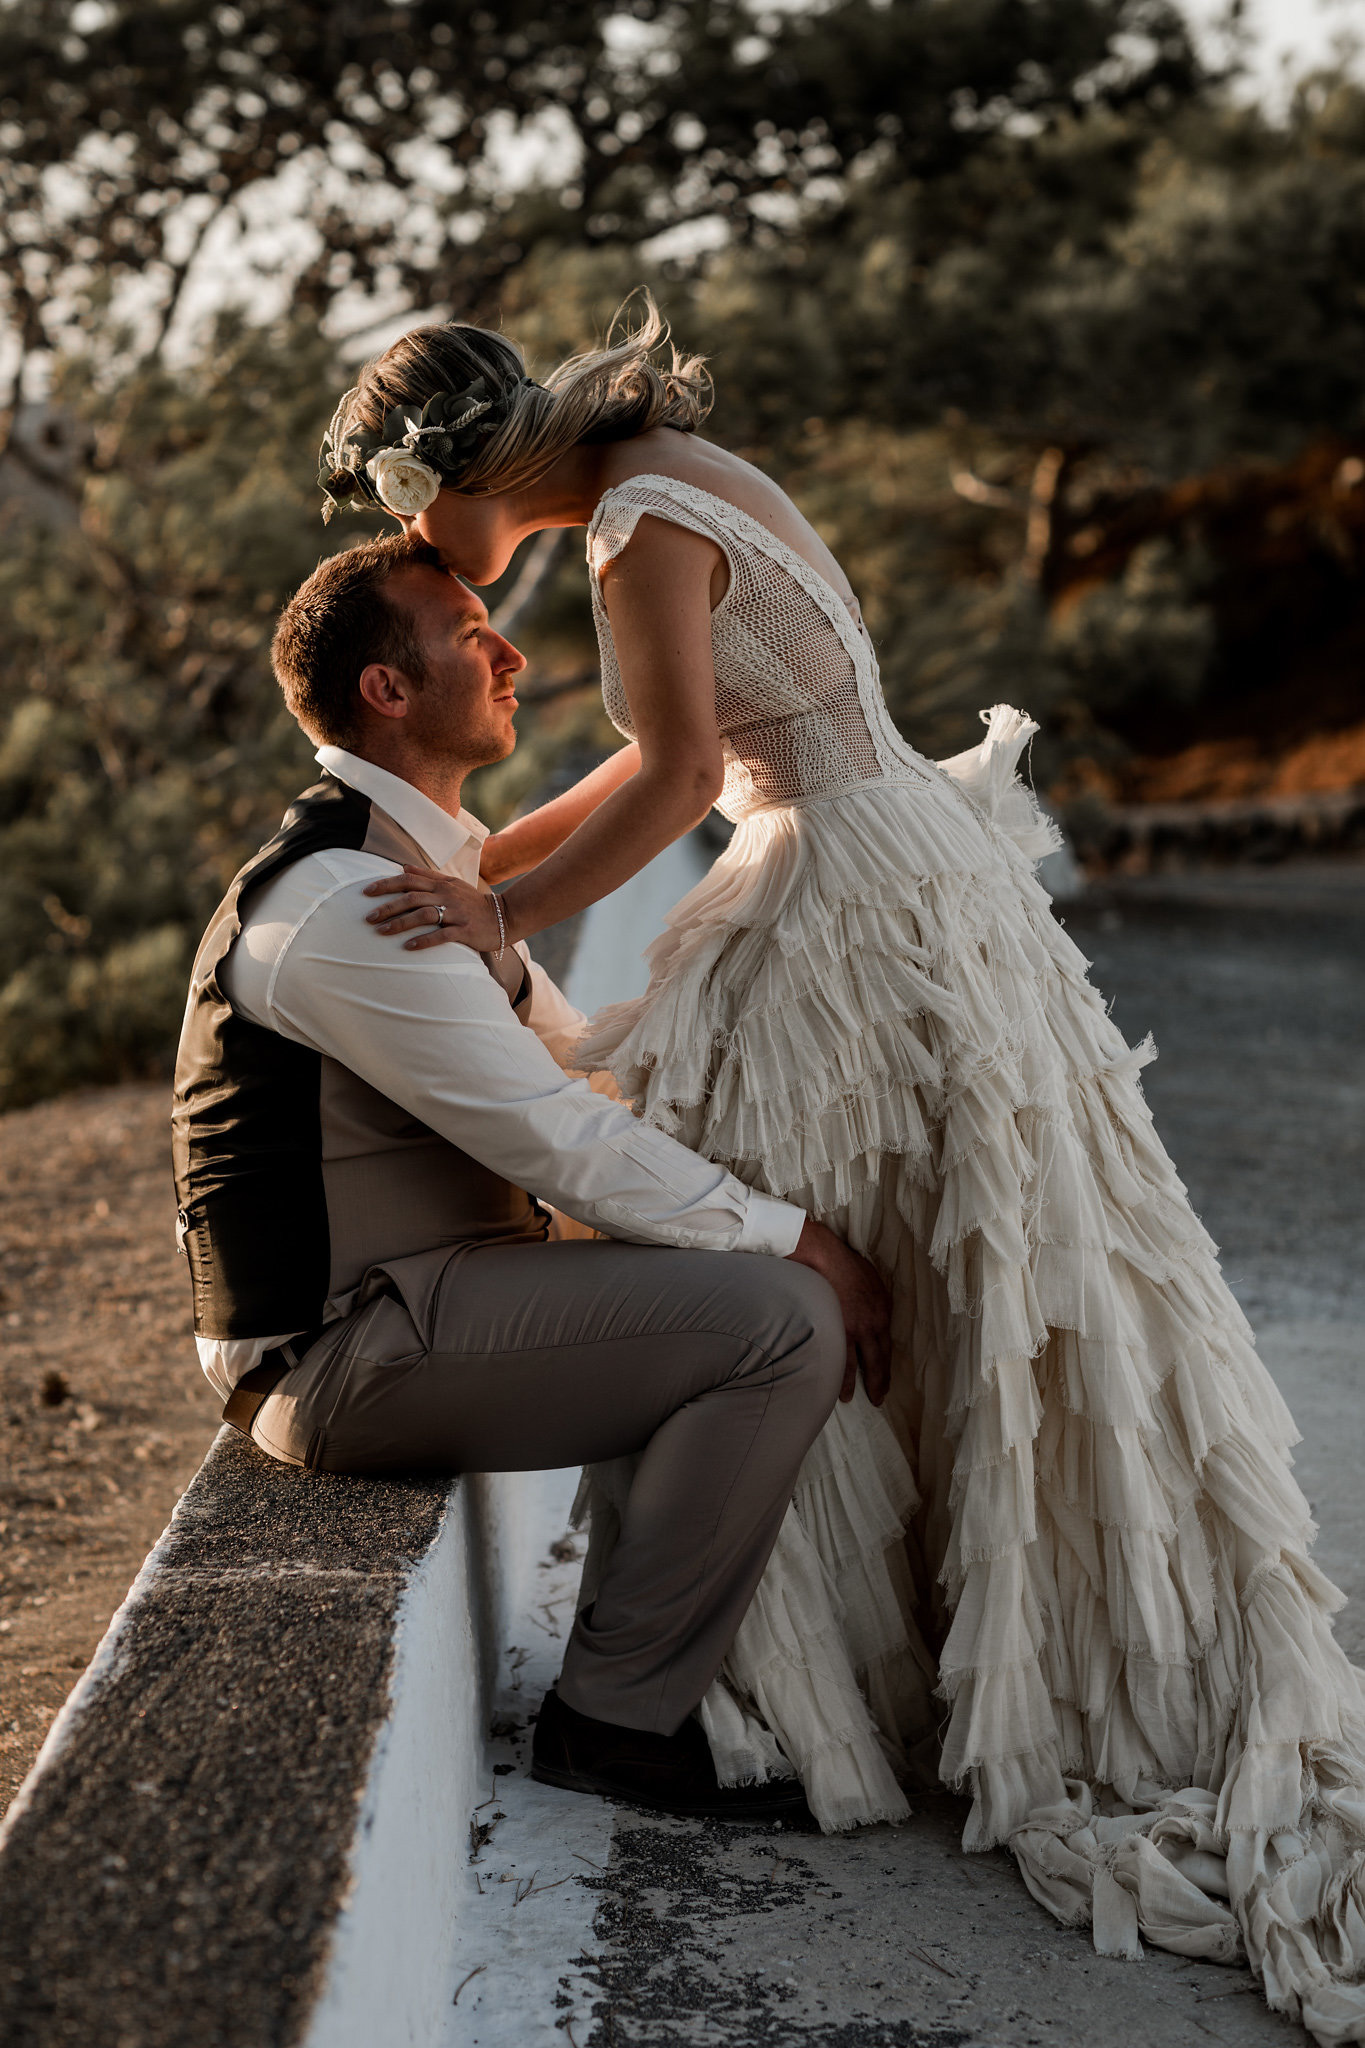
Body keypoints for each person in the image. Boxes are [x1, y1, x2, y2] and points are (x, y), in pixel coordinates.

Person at [323, 302, 1365, 2042]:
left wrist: (494, 906)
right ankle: (864, 1677)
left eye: (400, 506)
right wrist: (466, 847)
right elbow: (674, 745)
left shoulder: (642, 529)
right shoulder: (672, 475)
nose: (412, 549)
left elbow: (669, 776)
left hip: (841, 912)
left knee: (773, 1260)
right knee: (931, 1262)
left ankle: (771, 1702)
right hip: (894, 869)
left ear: (451, 472)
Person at [171, 529, 898, 1826]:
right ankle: (615, 1719)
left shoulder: (426, 870)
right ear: (387, 691)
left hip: (439, 1294)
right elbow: (554, 1137)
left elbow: (583, 1067)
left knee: (755, 1278)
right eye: (467, 634)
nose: (509, 650)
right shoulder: (343, 904)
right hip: (338, 1350)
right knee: (780, 1319)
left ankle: (717, 1661)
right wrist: (798, 1242)